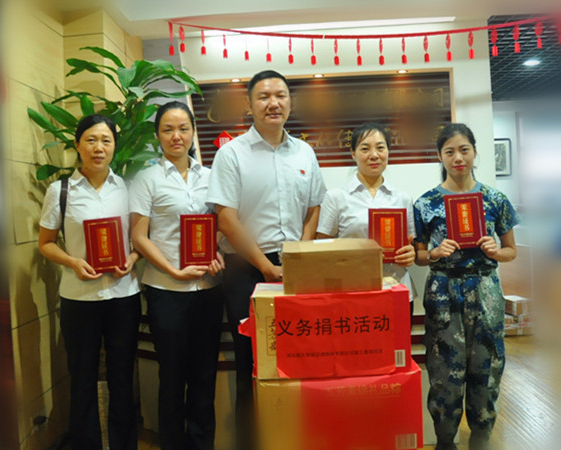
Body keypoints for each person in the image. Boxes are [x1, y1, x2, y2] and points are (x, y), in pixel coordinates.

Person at [206, 70, 327, 450]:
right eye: (263, 96)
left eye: (280, 95)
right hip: (246, 270)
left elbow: (314, 207)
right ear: (249, 104)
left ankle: (295, 439)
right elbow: (226, 218)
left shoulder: (304, 152)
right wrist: (265, 266)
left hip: (294, 266)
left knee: (298, 359)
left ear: (291, 101)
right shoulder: (231, 154)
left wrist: (300, 254)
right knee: (251, 363)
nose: (273, 103)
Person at [413, 123, 519, 450]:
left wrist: (495, 251)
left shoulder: (495, 199)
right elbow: (418, 256)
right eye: (450, 152)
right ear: (440, 156)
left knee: (487, 368)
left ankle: (482, 438)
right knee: (444, 370)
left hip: (485, 289)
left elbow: (511, 251)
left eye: (464, 150)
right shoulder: (426, 203)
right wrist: (434, 252)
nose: (458, 158)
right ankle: (445, 440)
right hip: (443, 291)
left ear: (474, 152)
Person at [38, 114, 141, 450]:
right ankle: (86, 444)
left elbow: (141, 238)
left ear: (114, 146)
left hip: (123, 295)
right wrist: (73, 261)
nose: (99, 148)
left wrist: (132, 259)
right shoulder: (60, 191)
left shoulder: (128, 188)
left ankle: (124, 444)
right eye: (91, 140)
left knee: (122, 375)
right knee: (81, 375)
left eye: (106, 140)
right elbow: (46, 243)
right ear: (77, 145)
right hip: (79, 297)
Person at [130, 101, 224, 450]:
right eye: (168, 129)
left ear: (193, 132)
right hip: (166, 290)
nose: (176, 136)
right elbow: (139, 236)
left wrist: (216, 251)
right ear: (158, 135)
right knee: (171, 376)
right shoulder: (147, 179)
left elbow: (222, 225)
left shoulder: (211, 177)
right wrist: (172, 270)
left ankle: (202, 444)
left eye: (183, 128)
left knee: (204, 375)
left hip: (208, 289)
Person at [316, 123, 416, 320]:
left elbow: (410, 245)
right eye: (365, 148)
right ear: (353, 154)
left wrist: (409, 255)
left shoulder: (402, 199)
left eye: (380, 147)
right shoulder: (336, 197)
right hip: (351, 293)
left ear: (388, 152)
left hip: (397, 289)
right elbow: (322, 248)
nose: (374, 155)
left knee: (397, 341)